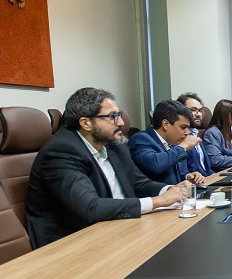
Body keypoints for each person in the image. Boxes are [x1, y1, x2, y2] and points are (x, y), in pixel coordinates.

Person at [25, 87, 187, 248]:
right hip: (73, 242)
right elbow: (90, 208)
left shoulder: (113, 144)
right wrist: (157, 202)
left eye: (119, 115)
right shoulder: (61, 151)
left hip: (120, 229)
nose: (122, 123)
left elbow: (140, 183)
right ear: (86, 123)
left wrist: (170, 190)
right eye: (112, 117)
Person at [128, 100, 206, 185]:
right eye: (183, 127)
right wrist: (184, 146)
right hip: (156, 196)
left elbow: (177, 172)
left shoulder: (173, 141)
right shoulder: (140, 139)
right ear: (166, 124)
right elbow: (155, 165)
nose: (187, 132)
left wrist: (188, 177)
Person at [177, 92, 214, 177]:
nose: (198, 114)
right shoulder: (178, 138)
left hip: (207, 180)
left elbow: (206, 169)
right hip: (194, 185)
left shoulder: (195, 133)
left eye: (200, 111)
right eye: (193, 110)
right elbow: (183, 173)